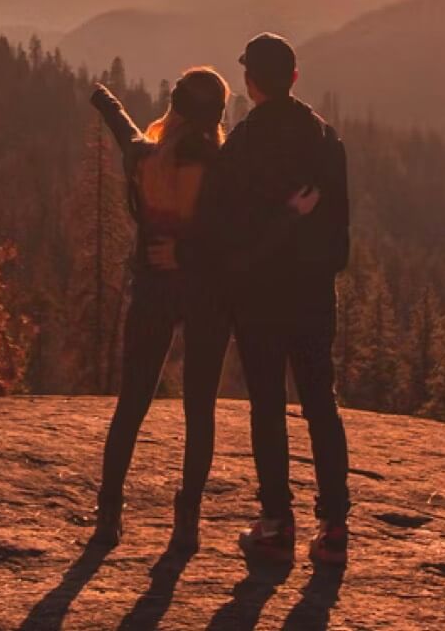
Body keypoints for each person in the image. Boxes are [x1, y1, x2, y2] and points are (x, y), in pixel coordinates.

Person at [86, 70, 317, 552]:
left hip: (153, 291)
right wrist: (291, 213)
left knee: (131, 405)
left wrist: (104, 100)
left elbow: (124, 128)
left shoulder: (144, 156)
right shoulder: (222, 168)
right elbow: (239, 233)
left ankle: (109, 513)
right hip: (208, 295)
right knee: (199, 411)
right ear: (217, 115)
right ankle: (187, 518)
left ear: (174, 110)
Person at [156, 32, 352, 567]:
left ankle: (276, 524)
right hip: (314, 295)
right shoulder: (325, 139)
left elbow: (223, 231)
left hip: (260, 299)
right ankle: (335, 527)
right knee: (320, 405)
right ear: (292, 78)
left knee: (267, 407)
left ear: (249, 82)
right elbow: (339, 238)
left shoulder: (241, 145)